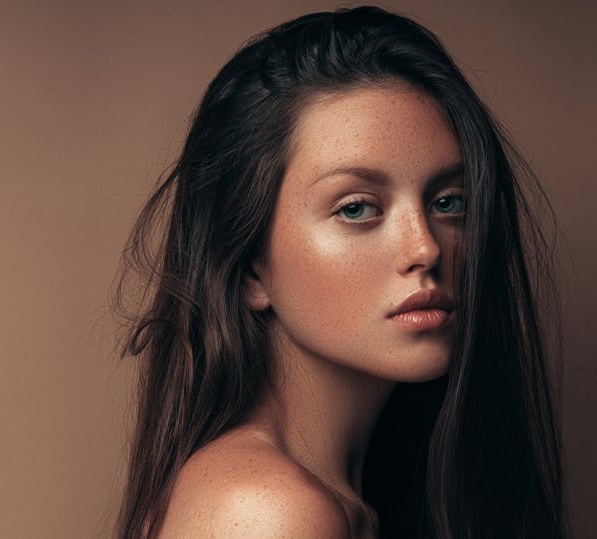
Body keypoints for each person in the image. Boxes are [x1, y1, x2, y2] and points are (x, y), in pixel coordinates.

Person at [113, 6, 569, 538]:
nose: (425, 247)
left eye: (449, 201)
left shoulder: (355, 497)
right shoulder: (269, 511)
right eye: (356, 208)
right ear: (249, 271)